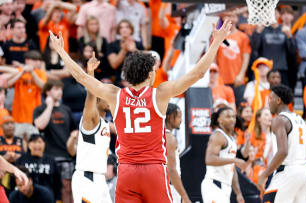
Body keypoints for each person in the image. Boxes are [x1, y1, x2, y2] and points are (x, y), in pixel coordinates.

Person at [49, 19, 232, 203]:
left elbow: (81, 77)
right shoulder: (160, 93)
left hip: (127, 172)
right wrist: (216, 42)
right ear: (151, 74)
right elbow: (197, 74)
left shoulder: (114, 94)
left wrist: (61, 51)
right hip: (154, 170)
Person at [256, 85, 306, 202]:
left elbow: (283, 151)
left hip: (287, 171)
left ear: (278, 100)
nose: (268, 102)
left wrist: (264, 174)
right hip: (305, 172)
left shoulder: (279, 120)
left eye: (270, 99)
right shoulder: (301, 120)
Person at [71, 52, 112, 203]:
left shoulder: (105, 123)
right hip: (87, 178)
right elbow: (91, 94)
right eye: (107, 96)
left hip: (100, 178)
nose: (111, 100)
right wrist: (90, 74)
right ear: (99, 98)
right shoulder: (91, 119)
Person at [33, 79, 78, 203]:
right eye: (56, 89)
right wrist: (49, 106)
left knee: (67, 188)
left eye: (61, 89)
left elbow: (74, 131)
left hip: (66, 155)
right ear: (47, 92)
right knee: (48, 189)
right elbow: (40, 125)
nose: (60, 92)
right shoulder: (40, 109)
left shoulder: (66, 109)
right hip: (48, 156)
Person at [201, 107, 245, 203]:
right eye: (228, 117)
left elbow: (231, 169)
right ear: (219, 120)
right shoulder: (218, 135)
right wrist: (234, 160)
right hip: (214, 184)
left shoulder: (232, 139)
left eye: (233, 116)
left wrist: (238, 193)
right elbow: (209, 159)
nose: (232, 119)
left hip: (225, 187)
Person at [16, 133, 62, 202]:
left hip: (47, 197)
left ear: (44, 144)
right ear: (29, 145)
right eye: (34, 142)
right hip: (25, 197)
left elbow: (57, 182)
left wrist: (58, 199)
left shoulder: (51, 160)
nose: (37, 145)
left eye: (40, 142)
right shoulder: (21, 160)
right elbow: (14, 179)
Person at [6, 50, 47, 124]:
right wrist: (22, 72)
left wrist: (32, 72)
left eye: (39, 60)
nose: (38, 62)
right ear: (27, 60)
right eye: (34, 60)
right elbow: (8, 84)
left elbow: (43, 86)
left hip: (35, 112)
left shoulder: (41, 73)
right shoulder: (19, 71)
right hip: (19, 113)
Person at [165, 103, 191, 203]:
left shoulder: (158, 134)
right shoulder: (169, 138)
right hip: (168, 187)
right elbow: (171, 170)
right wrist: (184, 196)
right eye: (179, 117)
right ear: (170, 117)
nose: (181, 120)